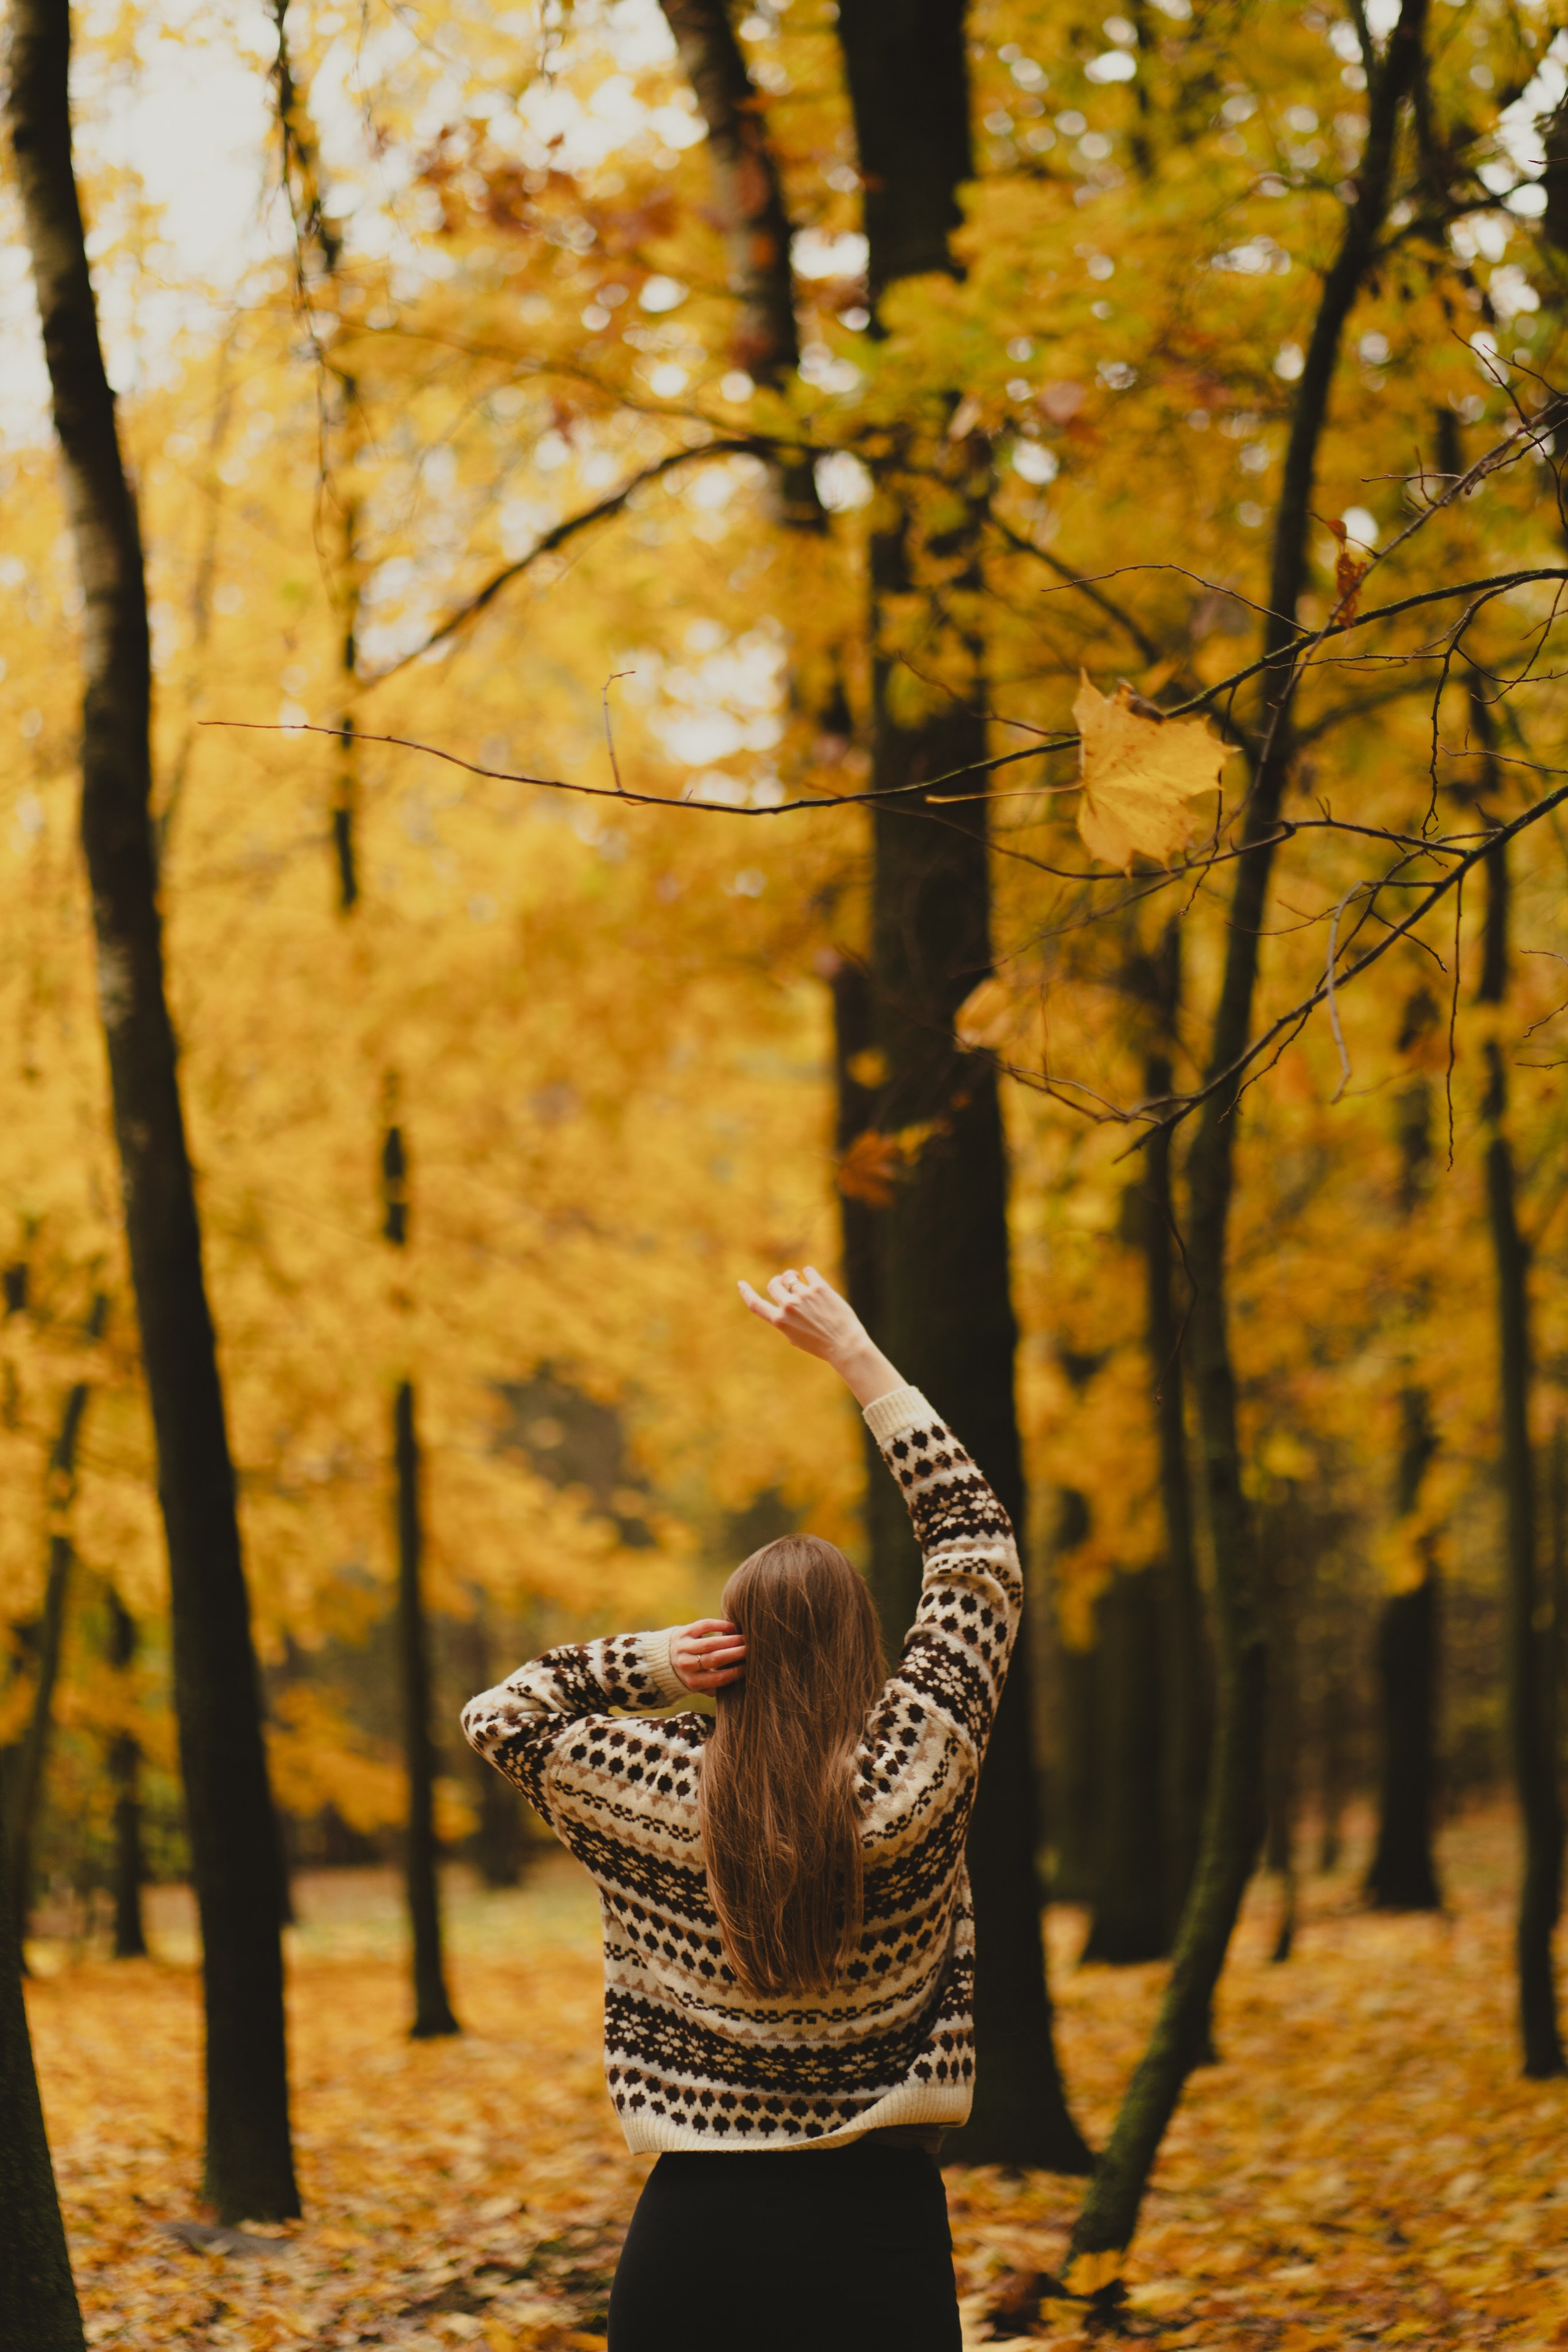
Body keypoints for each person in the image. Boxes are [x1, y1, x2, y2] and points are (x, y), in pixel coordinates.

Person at [461, 1266, 1023, 2352]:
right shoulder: (914, 1771)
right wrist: (856, 1356)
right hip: (883, 2235)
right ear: (864, 1642)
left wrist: (651, 1661)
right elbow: (977, 1552)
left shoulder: (654, 1784)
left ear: (731, 1652)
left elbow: (501, 1715)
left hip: (695, 2239)